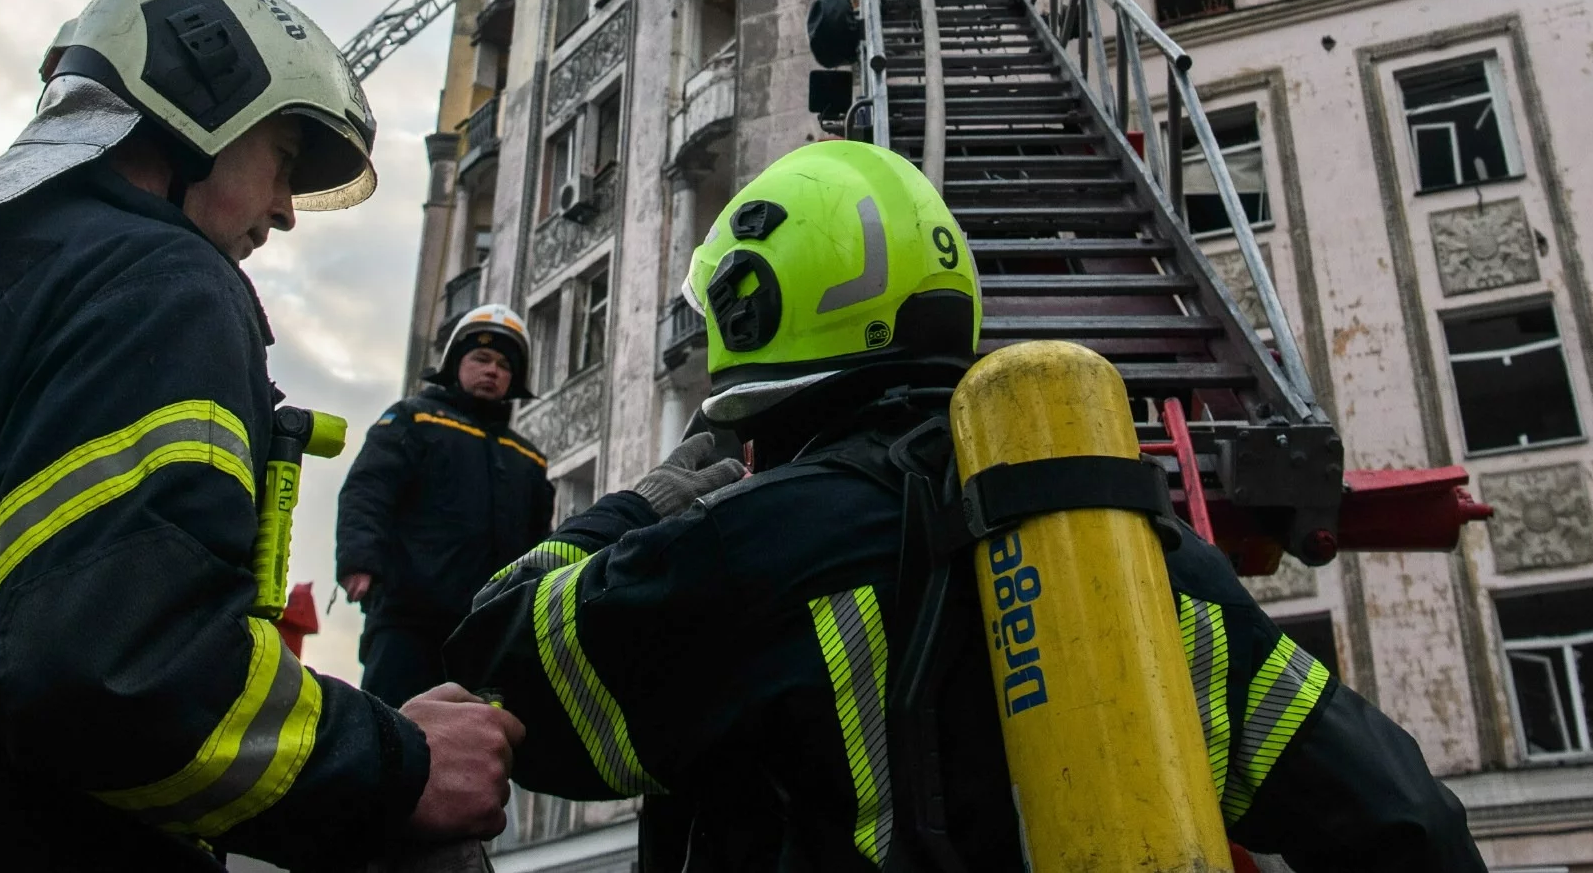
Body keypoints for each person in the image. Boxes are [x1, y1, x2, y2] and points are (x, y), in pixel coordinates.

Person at [447, 139, 1486, 873]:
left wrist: (650, 503)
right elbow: (1402, 825)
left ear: (757, 308)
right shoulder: (1132, 549)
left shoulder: (765, 541)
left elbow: (501, 670)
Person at [0, 0, 522, 871]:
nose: (286, 214)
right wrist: (400, 764)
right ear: (195, 109)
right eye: (285, 162)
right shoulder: (156, 282)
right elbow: (115, 676)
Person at [335, 304, 557, 706]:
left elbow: (540, 543)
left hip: (490, 634)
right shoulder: (412, 419)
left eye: (504, 364)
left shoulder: (529, 460)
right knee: (393, 733)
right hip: (408, 620)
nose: (492, 370)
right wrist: (359, 558)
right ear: (455, 364)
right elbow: (369, 488)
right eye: (481, 358)